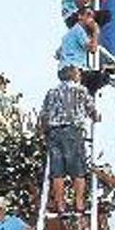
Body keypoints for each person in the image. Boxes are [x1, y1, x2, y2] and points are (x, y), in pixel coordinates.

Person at [39, 66, 97, 221]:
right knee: (78, 169)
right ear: (74, 76)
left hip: (54, 133)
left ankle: (60, 204)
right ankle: (79, 203)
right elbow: (91, 110)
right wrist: (96, 117)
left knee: (57, 171)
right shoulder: (81, 90)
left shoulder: (52, 92)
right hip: (72, 131)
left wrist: (45, 133)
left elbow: (43, 115)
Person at [58, 6, 112, 97]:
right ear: (80, 16)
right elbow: (92, 49)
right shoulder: (78, 30)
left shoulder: (71, 33)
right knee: (101, 78)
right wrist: (96, 32)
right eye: (88, 15)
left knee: (92, 85)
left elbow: (58, 53)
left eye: (92, 17)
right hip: (73, 68)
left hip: (67, 68)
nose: (91, 19)